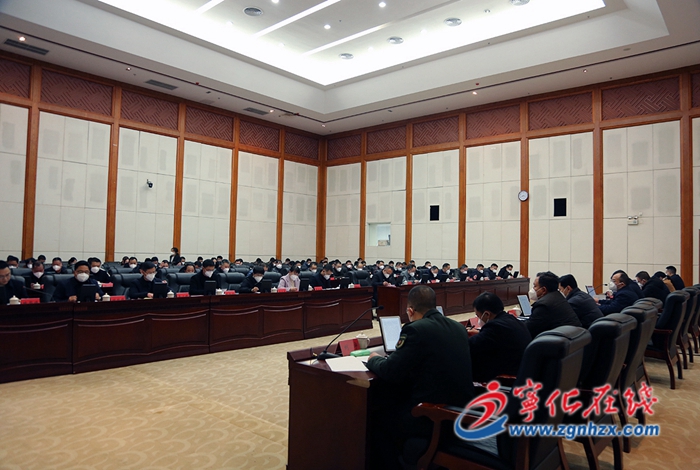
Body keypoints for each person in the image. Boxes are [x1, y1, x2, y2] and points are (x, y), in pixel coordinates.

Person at [366, 285, 474, 469]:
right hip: (460, 413)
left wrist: (373, 359)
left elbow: (390, 371)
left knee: (376, 419)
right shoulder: (458, 328)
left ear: (410, 310)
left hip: (430, 417)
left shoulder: (416, 329)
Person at [469, 292, 532, 382]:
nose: (478, 319)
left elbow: (470, 346)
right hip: (522, 369)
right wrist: (479, 333)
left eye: (478, 316)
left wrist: (461, 335)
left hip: (508, 376)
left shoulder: (494, 327)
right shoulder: (511, 319)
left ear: (487, 314)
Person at [527, 271, 581, 338]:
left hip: (559, 341)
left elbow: (528, 329)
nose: (533, 289)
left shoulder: (543, 305)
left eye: (535, 286)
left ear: (543, 290)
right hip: (574, 339)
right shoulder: (559, 297)